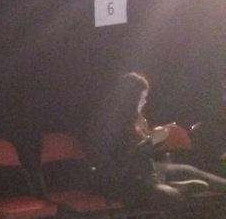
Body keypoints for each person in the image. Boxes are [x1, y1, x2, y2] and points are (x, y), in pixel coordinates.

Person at [96, 70, 226, 211]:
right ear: (131, 99)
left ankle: (175, 186)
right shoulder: (110, 123)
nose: (144, 102)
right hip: (124, 177)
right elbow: (122, 157)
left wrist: (157, 138)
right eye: (141, 98)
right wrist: (151, 141)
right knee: (161, 191)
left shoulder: (136, 119)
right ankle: (174, 188)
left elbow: (142, 150)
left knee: (188, 170)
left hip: (143, 168)